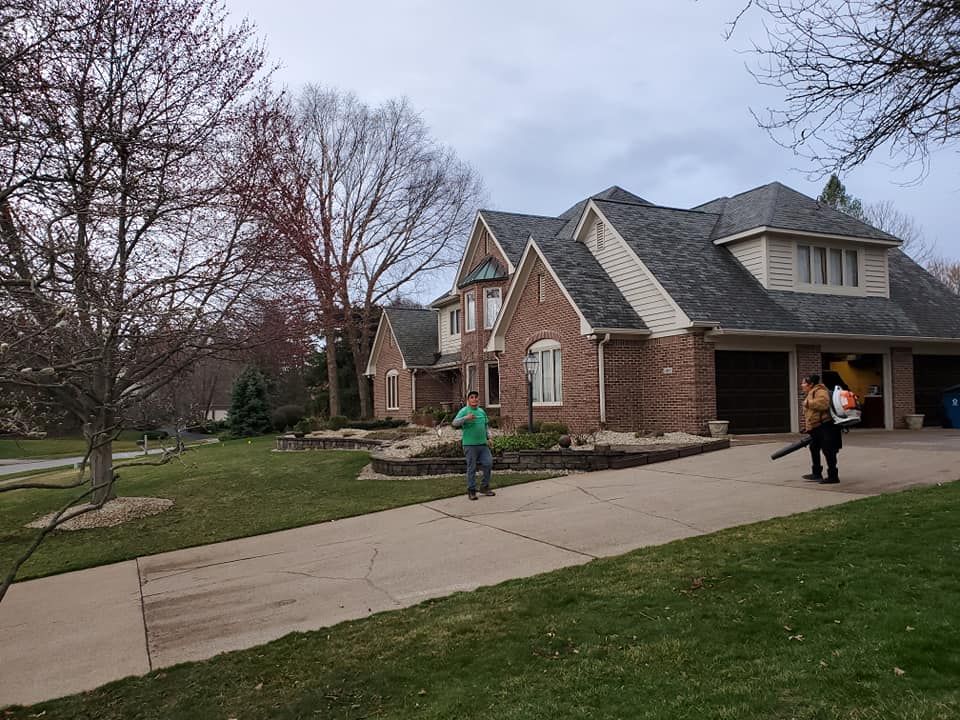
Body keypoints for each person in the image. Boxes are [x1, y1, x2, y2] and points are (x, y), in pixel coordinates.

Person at [452, 390, 496, 500]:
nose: (474, 399)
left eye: (476, 397)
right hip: (470, 445)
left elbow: (486, 426)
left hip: (483, 445)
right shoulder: (464, 411)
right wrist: (466, 418)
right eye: (472, 397)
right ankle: (471, 491)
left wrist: (489, 437)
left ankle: (484, 487)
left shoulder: (481, 411)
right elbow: (454, 423)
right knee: (472, 468)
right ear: (468, 400)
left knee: (488, 463)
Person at [800, 373, 842, 484]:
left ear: (811, 384)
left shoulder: (820, 391)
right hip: (816, 427)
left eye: (804, 383)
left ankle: (833, 476)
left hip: (825, 426)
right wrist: (808, 427)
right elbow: (812, 414)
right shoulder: (812, 392)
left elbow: (823, 404)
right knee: (814, 448)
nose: (802, 385)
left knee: (828, 450)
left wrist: (807, 403)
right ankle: (816, 473)